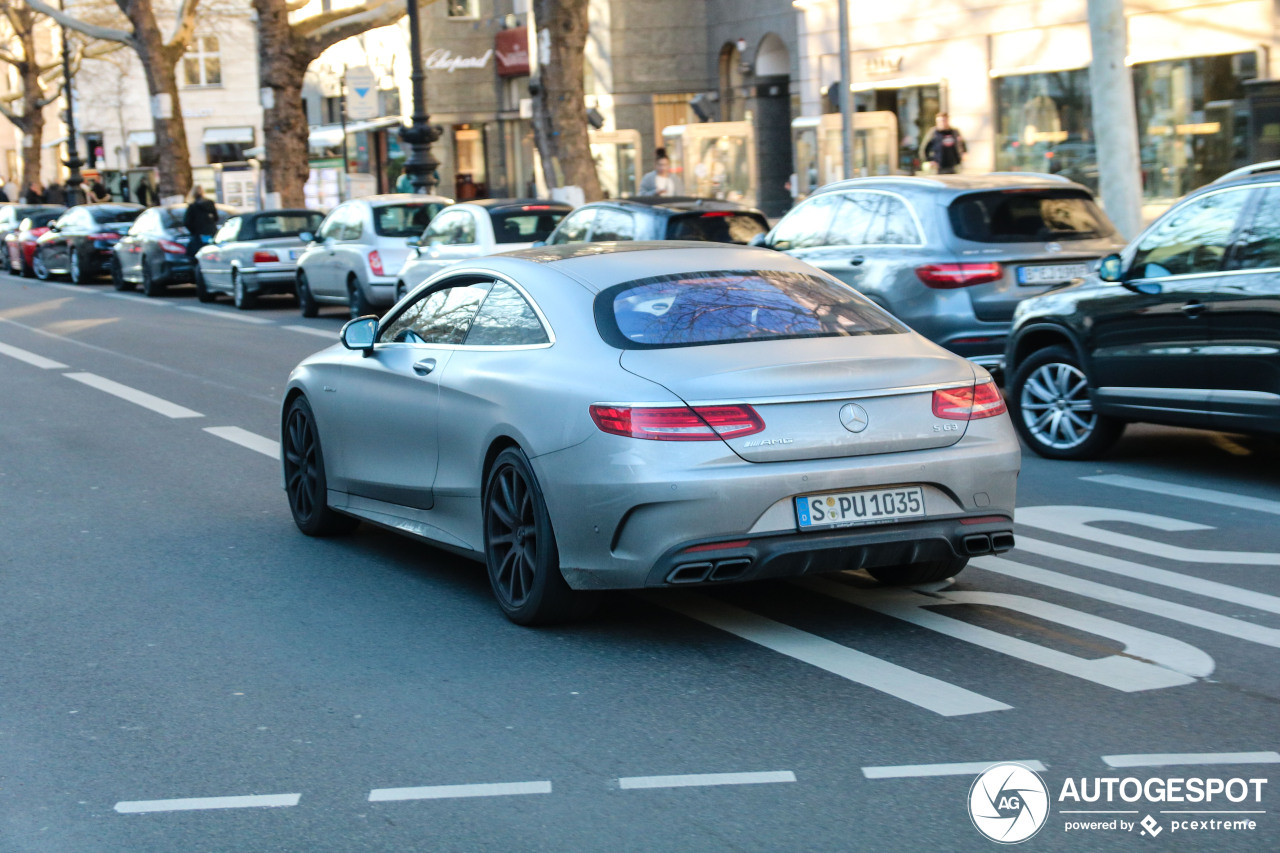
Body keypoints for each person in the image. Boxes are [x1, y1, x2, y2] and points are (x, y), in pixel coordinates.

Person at [183, 185, 219, 260]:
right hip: (212, 232)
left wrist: (194, 231)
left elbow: (187, 222)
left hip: (199, 234)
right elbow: (216, 218)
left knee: (197, 255)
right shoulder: (210, 203)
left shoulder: (192, 206)